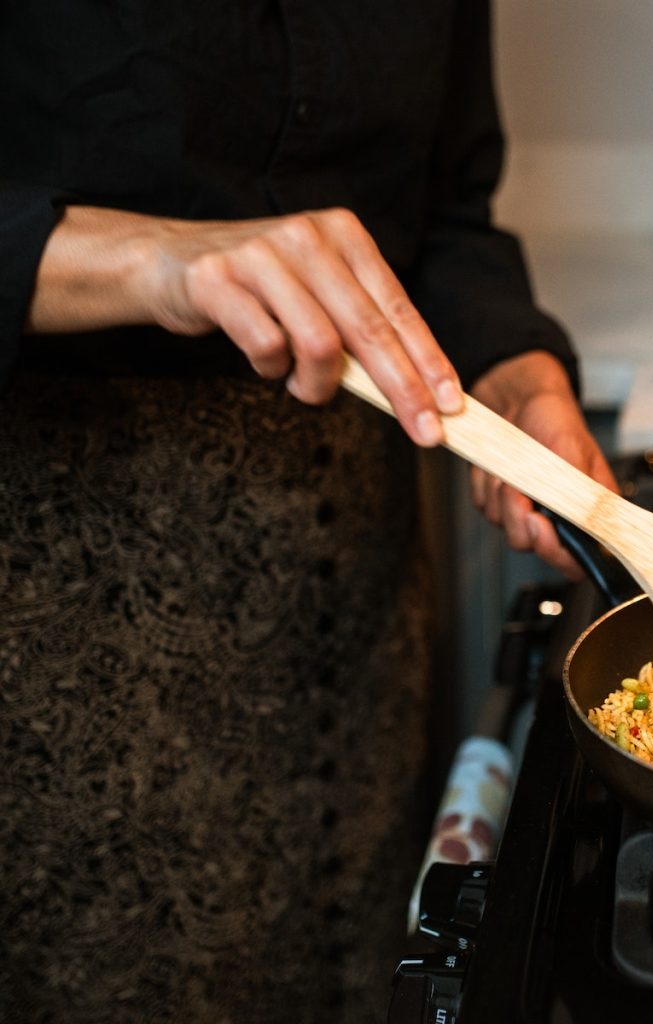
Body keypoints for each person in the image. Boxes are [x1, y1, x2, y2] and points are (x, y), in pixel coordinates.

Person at [0, 3, 616, 1022]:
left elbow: (448, 218)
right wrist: (146, 258)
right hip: (54, 592)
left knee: (362, 964)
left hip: (347, 581)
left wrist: (513, 369)